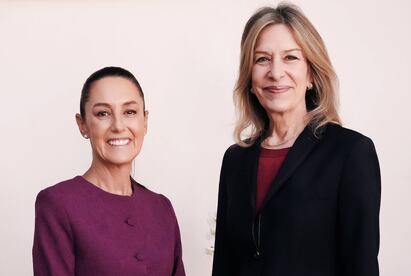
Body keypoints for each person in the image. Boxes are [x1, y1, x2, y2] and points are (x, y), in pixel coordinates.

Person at [212, 3, 380, 276]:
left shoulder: (350, 153)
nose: (276, 73)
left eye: (290, 58)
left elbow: (361, 266)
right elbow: (225, 265)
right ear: (250, 77)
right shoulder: (235, 160)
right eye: (262, 59)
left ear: (311, 73)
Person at [33, 67, 186, 276]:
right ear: (82, 124)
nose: (118, 126)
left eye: (129, 112)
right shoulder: (58, 204)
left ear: (145, 120)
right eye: (103, 113)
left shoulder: (162, 208)